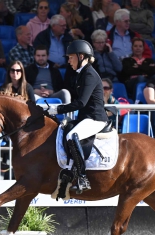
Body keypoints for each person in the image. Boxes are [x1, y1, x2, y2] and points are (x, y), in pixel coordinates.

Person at [47, 40, 108, 192]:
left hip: (95, 118)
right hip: (86, 117)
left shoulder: (89, 75)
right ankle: (69, 169)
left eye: (71, 57)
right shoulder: (81, 74)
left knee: (72, 136)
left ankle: (82, 177)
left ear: (81, 56)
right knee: (65, 130)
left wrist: (57, 109)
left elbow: (80, 102)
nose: (68, 60)